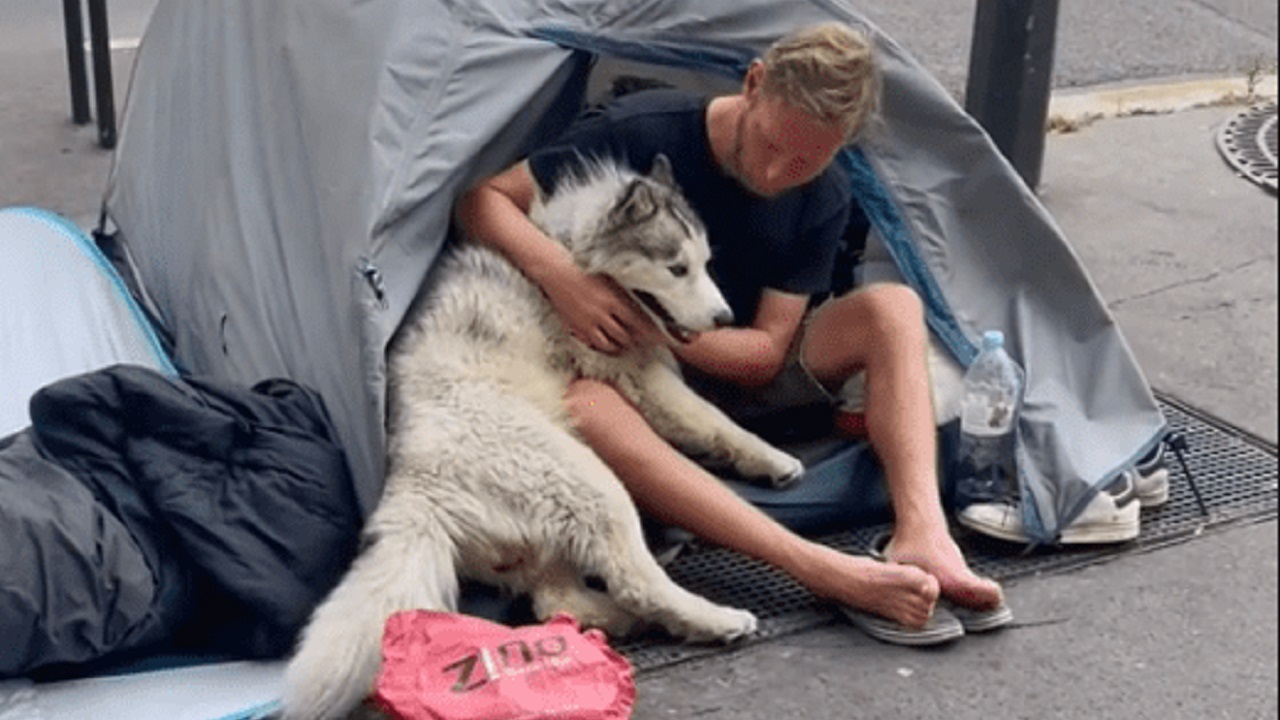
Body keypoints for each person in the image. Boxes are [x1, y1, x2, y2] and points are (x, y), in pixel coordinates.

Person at [455, 23, 1007, 642]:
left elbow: (765, 353)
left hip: (720, 359)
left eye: (802, 161)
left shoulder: (825, 192)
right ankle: (818, 569)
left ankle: (923, 535)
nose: (775, 172)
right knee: (583, 403)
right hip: (617, 371)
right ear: (753, 83)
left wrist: (655, 329)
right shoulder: (643, 129)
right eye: (770, 142)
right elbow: (482, 201)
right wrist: (566, 280)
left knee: (894, 308)